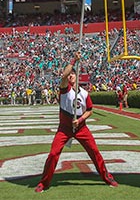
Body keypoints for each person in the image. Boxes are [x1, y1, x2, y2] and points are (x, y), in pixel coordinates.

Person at [35, 51, 118, 192]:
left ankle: (107, 177)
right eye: (70, 74)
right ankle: (44, 183)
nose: (71, 76)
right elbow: (63, 75)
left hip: (81, 128)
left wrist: (80, 120)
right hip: (64, 128)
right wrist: (74, 60)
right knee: (53, 154)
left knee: (94, 152)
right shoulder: (64, 89)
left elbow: (90, 110)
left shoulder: (84, 93)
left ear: (77, 76)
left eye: (73, 74)